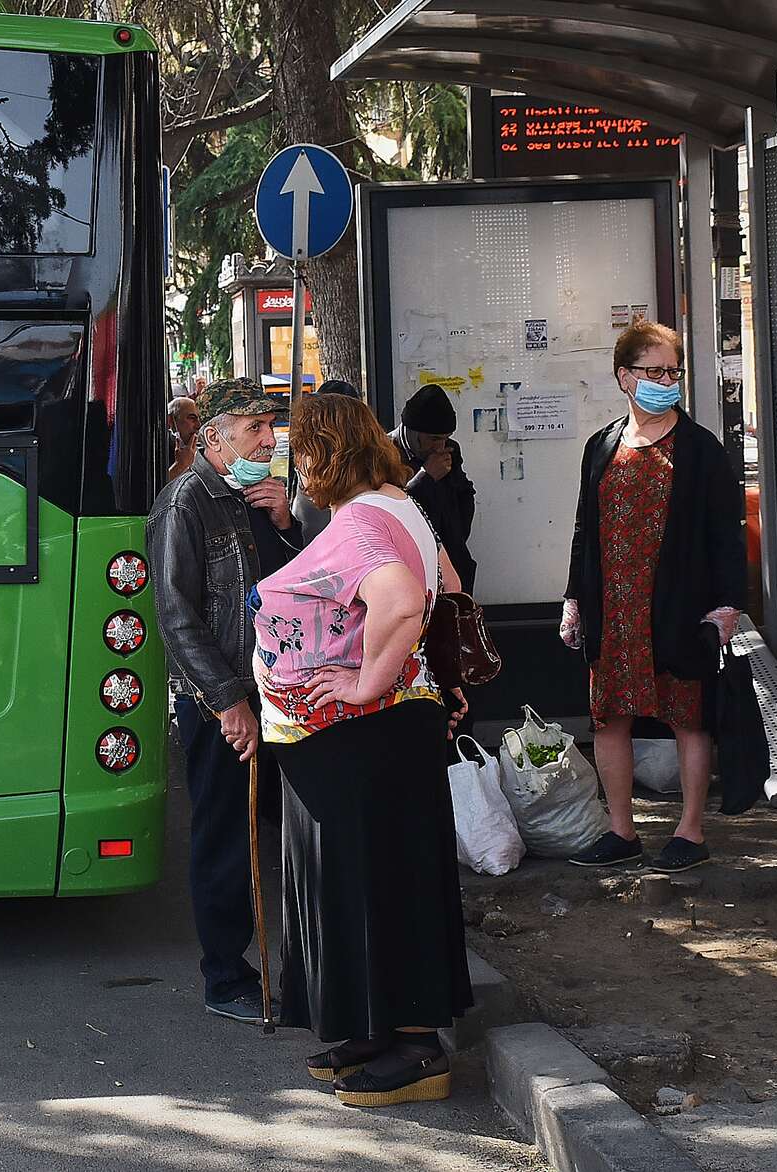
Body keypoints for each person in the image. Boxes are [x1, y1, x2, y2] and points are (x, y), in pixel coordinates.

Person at [252, 391, 472, 1107]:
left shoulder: (360, 523)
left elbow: (404, 598)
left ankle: (413, 1049)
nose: (297, 462)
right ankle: (382, 1029)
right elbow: (452, 583)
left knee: (380, 881)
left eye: (301, 448)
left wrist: (363, 679)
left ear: (323, 454)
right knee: (386, 879)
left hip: (366, 731)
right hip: (391, 730)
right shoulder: (398, 503)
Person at [560, 321, 744, 874]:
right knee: (608, 719)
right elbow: (582, 529)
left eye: (673, 371)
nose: (667, 381)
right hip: (612, 609)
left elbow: (725, 533)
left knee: (688, 718)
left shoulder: (701, 450)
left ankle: (690, 830)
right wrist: (574, 599)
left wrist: (727, 606)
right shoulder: (602, 446)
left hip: (678, 607)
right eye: (654, 371)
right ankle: (622, 829)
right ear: (624, 376)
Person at [147, 377, 303, 1024]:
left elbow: (300, 582)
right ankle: (225, 975)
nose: (269, 440)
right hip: (222, 702)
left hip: (276, 693)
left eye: (270, 427)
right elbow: (176, 616)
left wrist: (285, 520)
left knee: (276, 831)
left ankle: (288, 963)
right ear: (213, 439)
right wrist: (226, 702)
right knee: (226, 839)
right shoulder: (186, 503)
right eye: (254, 429)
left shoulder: (254, 498)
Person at [391, 385, 479, 589]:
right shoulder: (386, 453)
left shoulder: (450, 450)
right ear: (412, 432)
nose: (440, 447)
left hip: (452, 556)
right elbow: (389, 506)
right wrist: (424, 477)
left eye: (445, 438)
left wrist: (457, 536)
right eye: (434, 439)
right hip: (412, 562)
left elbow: (464, 493)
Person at [293, 378, 363, 543]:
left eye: (324, 413)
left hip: (334, 546)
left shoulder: (355, 456)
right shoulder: (312, 447)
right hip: (308, 542)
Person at [165, 395, 202, 484]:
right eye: (192, 418)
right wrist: (180, 465)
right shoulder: (161, 450)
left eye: (199, 419)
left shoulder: (201, 450)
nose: (198, 425)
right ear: (170, 420)